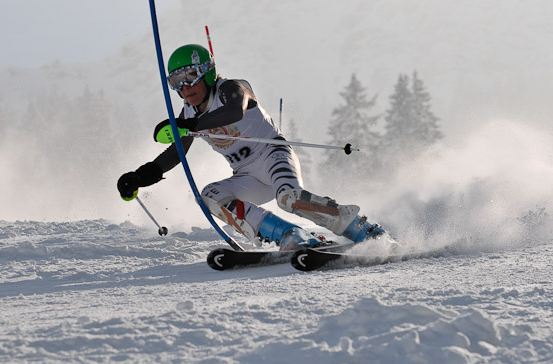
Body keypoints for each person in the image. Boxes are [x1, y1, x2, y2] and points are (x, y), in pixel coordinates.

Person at [117, 43, 385, 250]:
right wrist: (139, 177)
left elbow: (235, 112)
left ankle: (361, 228)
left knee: (289, 199)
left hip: (273, 155)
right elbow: (176, 153)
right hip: (246, 175)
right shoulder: (188, 116)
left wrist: (190, 124)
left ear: (208, 72)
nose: (185, 87)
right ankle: (291, 236)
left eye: (190, 76)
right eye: (176, 82)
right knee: (210, 195)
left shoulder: (231, 88)